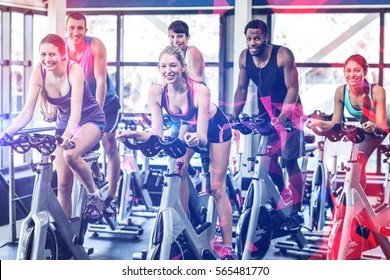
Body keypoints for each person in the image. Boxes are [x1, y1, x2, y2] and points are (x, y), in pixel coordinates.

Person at [116, 45, 237, 260]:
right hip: (188, 126)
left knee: (217, 188)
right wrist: (134, 133)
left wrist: (194, 139)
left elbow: (202, 135)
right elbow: (156, 133)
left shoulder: (200, 91)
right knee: (179, 171)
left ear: (183, 67)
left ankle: (228, 247)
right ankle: (186, 229)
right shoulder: (157, 92)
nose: (167, 70)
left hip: (215, 129)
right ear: (158, 68)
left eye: (173, 65)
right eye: (163, 66)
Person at [0, 34, 105, 221]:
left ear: (62, 54)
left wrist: (67, 136)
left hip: (90, 120)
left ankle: (94, 195)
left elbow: (76, 112)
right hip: (64, 125)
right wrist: (6, 134)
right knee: (63, 185)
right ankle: (66, 238)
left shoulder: (74, 70)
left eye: (52, 54)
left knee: (70, 154)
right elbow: (26, 113)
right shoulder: (38, 74)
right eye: (43, 54)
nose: (47, 59)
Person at [231, 19, 306, 230]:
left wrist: (284, 115)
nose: (252, 42)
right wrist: (234, 115)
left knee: (289, 162)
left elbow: (293, 89)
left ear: (266, 38)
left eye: (256, 38)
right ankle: (285, 201)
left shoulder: (283, 55)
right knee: (269, 162)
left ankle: (297, 212)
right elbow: (242, 88)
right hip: (267, 113)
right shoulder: (245, 58)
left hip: (290, 113)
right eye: (248, 38)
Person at [306, 54, 389, 202]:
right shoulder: (341, 92)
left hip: (383, 123)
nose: (352, 75)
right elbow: (334, 123)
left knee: (359, 158)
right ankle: (357, 204)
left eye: (356, 70)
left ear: (365, 71)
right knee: (357, 160)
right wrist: (318, 123)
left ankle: (359, 204)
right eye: (348, 71)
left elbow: (381, 126)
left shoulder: (377, 91)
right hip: (372, 126)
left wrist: (373, 125)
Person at [65, 12, 121, 216]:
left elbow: (101, 81)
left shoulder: (95, 45)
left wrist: (95, 114)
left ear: (86, 30)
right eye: (72, 28)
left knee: (108, 143)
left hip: (106, 104)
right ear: (66, 29)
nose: (75, 32)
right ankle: (97, 175)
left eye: (80, 28)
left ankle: (112, 198)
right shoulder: (61, 49)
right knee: (83, 142)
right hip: (81, 104)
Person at [168, 19, 206, 184]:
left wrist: (180, 70)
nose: (176, 40)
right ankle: (190, 176)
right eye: (172, 36)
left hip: (196, 109)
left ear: (187, 37)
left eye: (180, 36)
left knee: (181, 158)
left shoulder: (191, 51)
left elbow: (197, 79)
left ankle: (197, 175)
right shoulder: (172, 54)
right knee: (173, 145)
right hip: (182, 109)